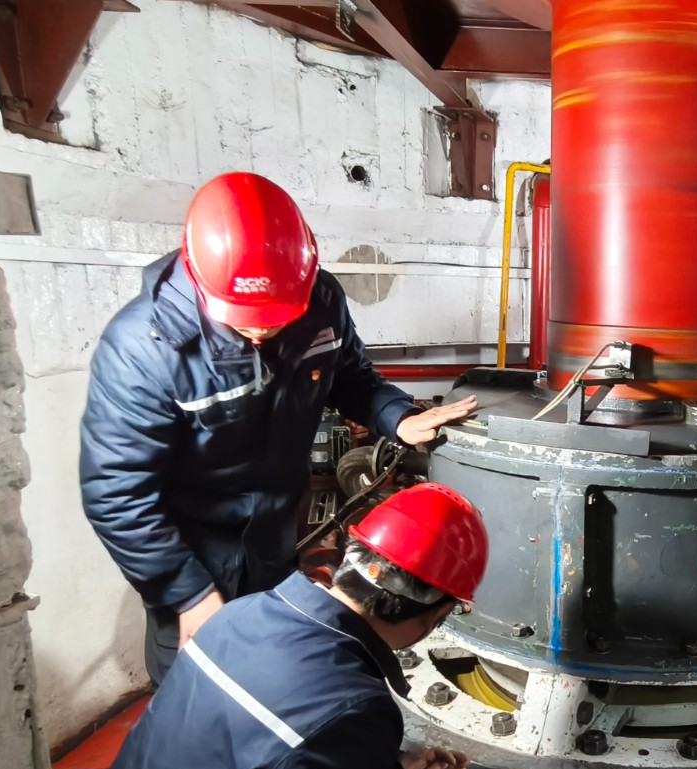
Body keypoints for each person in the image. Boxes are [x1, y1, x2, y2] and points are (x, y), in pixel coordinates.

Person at [80, 172, 478, 684]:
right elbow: (116, 494)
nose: (264, 328)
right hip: (191, 552)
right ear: (198, 277)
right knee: (194, 687)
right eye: (245, 317)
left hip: (273, 536)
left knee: (269, 671)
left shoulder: (321, 301)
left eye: (278, 315)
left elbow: (351, 376)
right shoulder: (142, 347)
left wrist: (397, 417)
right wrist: (188, 595)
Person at [69, 482, 502, 769]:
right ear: (438, 614)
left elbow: (265, 753)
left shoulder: (241, 613)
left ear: (351, 556)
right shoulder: (353, 709)